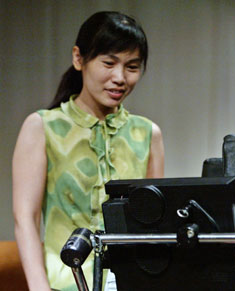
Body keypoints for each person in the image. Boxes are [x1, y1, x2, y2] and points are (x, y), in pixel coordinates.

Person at [12, 11, 164, 291]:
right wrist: (39, 287)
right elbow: (26, 219)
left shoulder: (148, 134)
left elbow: (152, 222)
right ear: (78, 58)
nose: (120, 77)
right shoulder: (42, 127)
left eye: (132, 67)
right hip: (63, 285)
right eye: (109, 63)